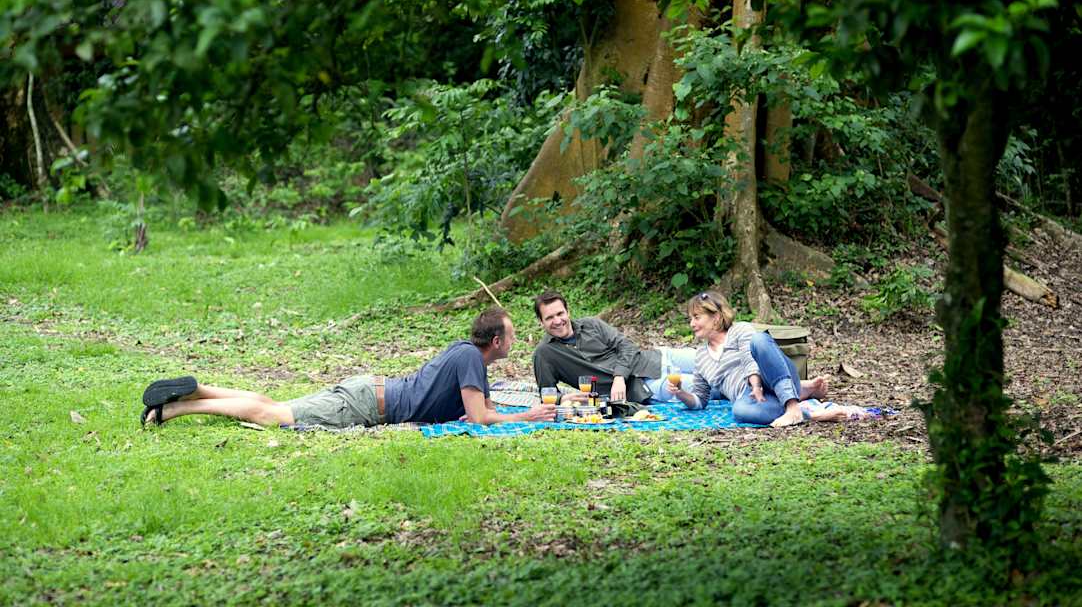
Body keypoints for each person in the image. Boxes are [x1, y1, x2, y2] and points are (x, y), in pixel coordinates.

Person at [140, 307, 557, 428]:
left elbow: (480, 407)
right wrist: (527, 416)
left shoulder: (466, 354)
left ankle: (196, 390)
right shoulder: (469, 358)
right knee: (273, 415)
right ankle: (176, 408)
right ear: (496, 342)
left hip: (369, 392)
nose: (515, 341)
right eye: (512, 335)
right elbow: (481, 417)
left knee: (271, 402)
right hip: (366, 405)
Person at [668, 290, 829, 427]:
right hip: (750, 397)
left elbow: (749, 359)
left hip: (767, 375)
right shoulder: (701, 356)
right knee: (740, 411)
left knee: (759, 340)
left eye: (697, 317)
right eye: (690, 318)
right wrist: (680, 393)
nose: (692, 323)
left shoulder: (739, 330)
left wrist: (756, 385)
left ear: (716, 317)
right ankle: (803, 401)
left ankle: (793, 407)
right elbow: (700, 400)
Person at [531, 290, 697, 404]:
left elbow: (627, 346)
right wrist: (563, 399)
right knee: (704, 387)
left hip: (656, 358)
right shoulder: (544, 353)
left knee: (707, 357)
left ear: (568, 312)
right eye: (549, 318)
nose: (557, 321)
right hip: (644, 386)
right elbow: (547, 394)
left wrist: (619, 376)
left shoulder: (591, 324)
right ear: (541, 322)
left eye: (560, 314)